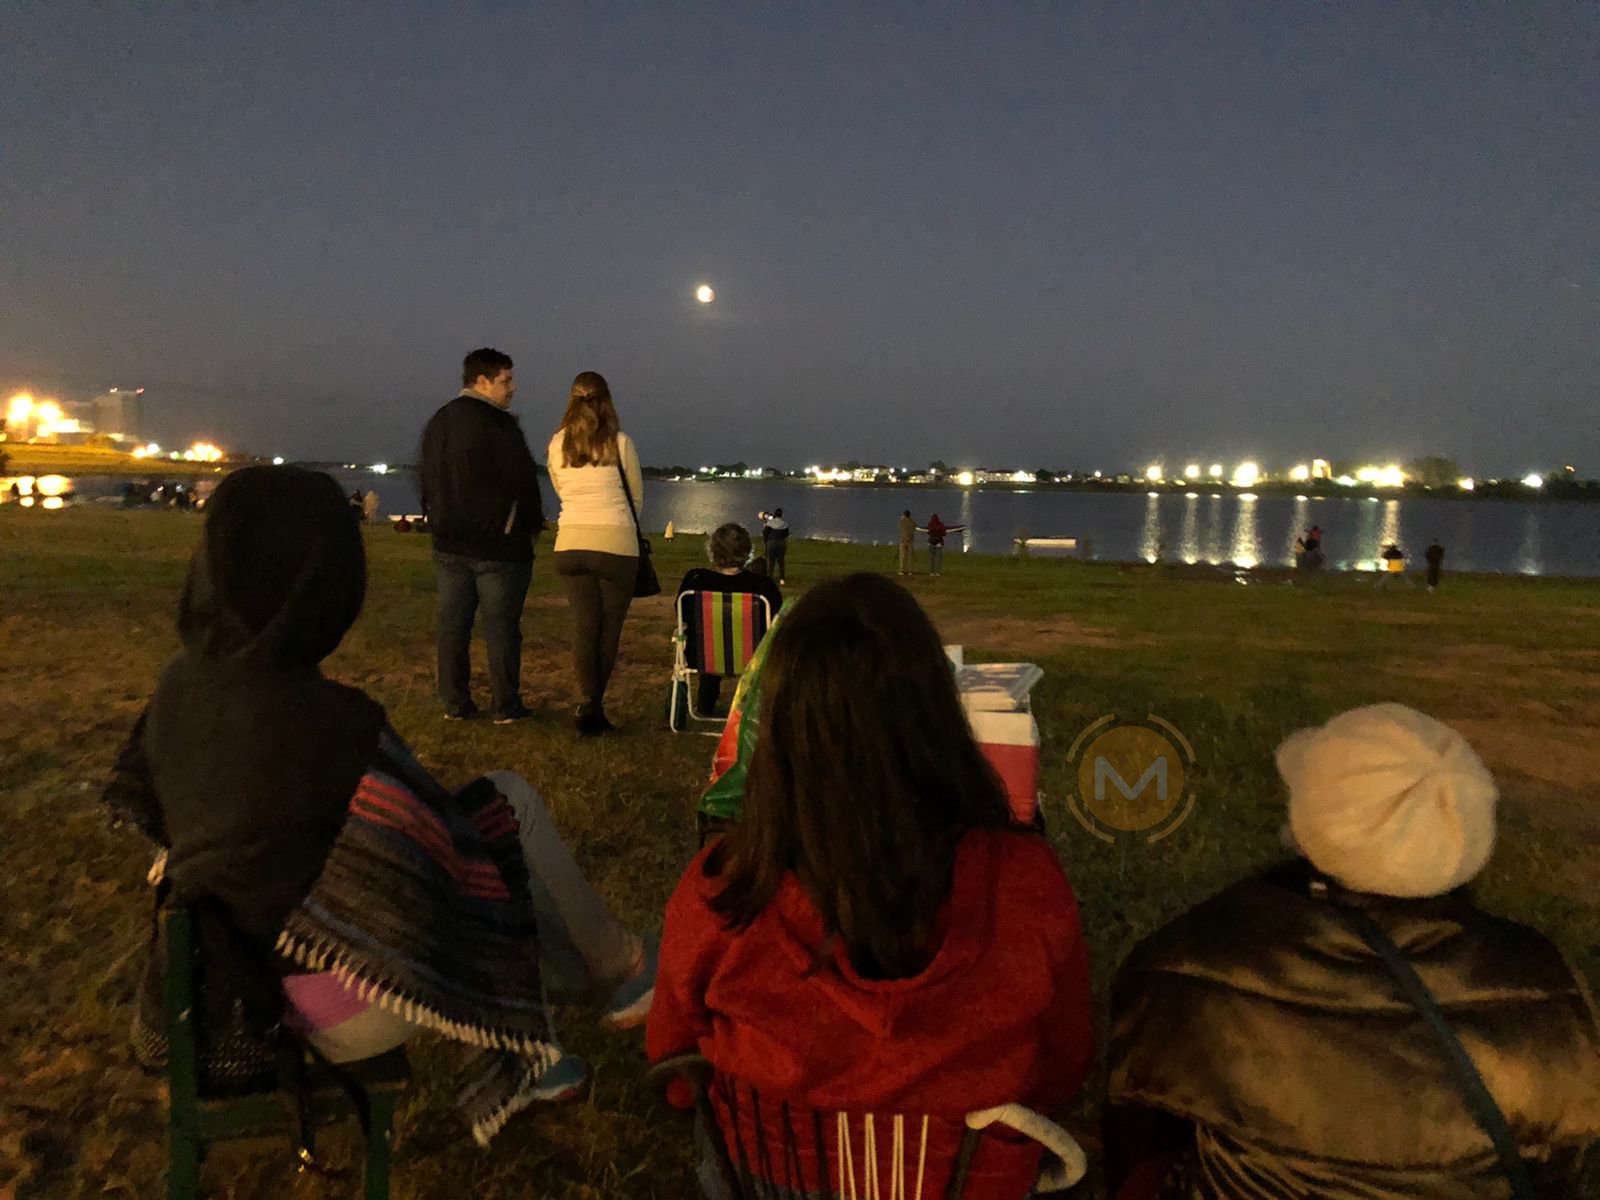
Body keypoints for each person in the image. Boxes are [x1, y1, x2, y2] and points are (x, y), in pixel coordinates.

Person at [101, 466, 656, 1147]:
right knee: (493, 832)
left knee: (470, 851)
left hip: (194, 994)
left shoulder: (178, 687)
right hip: (300, 1010)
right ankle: (606, 980)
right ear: (325, 585)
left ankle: (573, 1008)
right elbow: (433, 868)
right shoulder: (333, 722)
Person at [648, 573, 1095, 1198]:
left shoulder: (726, 890)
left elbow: (674, 1057)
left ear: (778, 729)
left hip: (766, 1174)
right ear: (938, 714)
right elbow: (1063, 1061)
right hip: (961, 1180)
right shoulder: (1023, 883)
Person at [1105, 704, 1600, 1199]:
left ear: (1311, 819)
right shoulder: (1547, 982)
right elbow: (1559, 1167)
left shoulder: (1194, 956)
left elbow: (1136, 1120)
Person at [419, 347, 546, 723]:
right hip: (498, 548)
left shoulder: (440, 421)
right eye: (506, 380)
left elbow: (426, 475)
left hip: (448, 543)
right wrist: (525, 524)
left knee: (453, 626)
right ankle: (506, 705)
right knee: (502, 628)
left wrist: (435, 515)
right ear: (482, 381)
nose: (513, 388)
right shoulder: (498, 424)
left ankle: (454, 702)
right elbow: (522, 480)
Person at [547, 371, 641, 736]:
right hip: (616, 544)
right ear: (607, 400)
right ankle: (594, 707)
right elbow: (635, 498)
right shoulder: (620, 443)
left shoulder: (557, 445)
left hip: (570, 543)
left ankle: (587, 701)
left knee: (585, 626)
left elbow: (559, 490)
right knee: (609, 629)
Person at [675, 524, 783, 717]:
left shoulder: (696, 580)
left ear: (713, 552)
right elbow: (776, 620)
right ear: (748, 551)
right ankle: (752, 707)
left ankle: (705, 703)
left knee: (710, 636)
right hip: (753, 658)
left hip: (702, 655)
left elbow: (681, 612)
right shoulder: (763, 587)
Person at [759, 508, 789, 583]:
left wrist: (766, 542)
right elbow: (786, 534)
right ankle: (782, 579)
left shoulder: (770, 523)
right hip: (781, 543)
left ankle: (770, 578)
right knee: (781, 562)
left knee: (771, 562)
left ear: (774, 514)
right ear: (781, 515)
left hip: (771, 543)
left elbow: (765, 533)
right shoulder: (784, 523)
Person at [898, 508, 916, 574]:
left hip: (903, 540)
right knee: (910, 557)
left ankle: (901, 570)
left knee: (902, 556)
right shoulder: (912, 522)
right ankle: (910, 570)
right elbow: (914, 526)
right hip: (910, 540)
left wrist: (902, 518)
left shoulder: (902, 521)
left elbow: (900, 527)